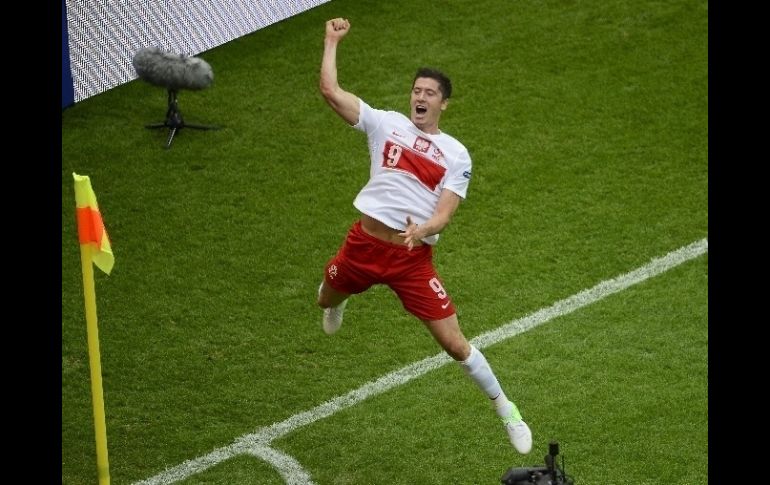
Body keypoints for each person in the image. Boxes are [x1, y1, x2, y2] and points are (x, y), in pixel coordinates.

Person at [317, 17, 532, 454]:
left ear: (443, 104)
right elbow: (330, 93)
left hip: (411, 259)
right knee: (326, 299)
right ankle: (338, 299)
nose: (420, 97)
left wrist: (425, 229)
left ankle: (507, 410)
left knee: (455, 343)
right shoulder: (385, 124)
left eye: (429, 93)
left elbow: (445, 214)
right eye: (416, 90)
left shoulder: (456, 154)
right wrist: (331, 41)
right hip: (363, 245)